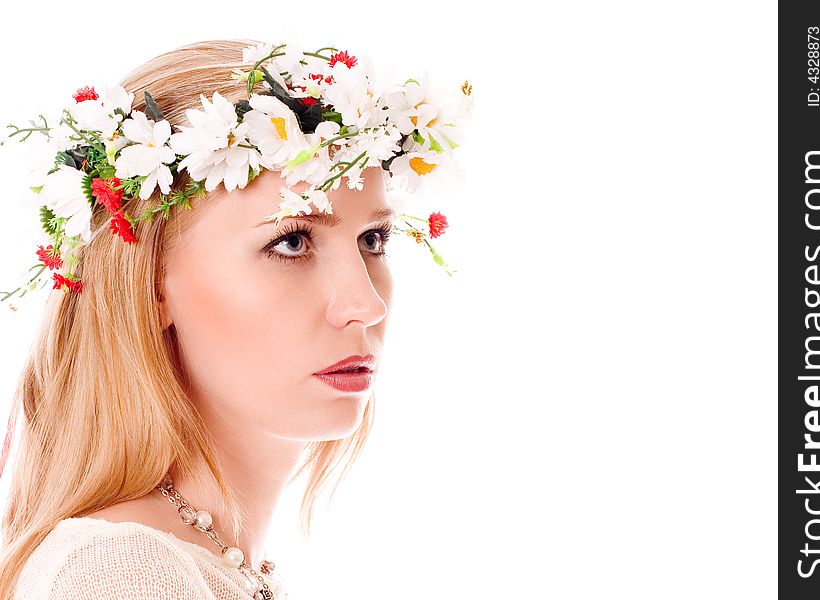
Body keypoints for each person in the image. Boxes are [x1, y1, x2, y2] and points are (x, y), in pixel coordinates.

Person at [0, 38, 472, 598]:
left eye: (373, 239)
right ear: (150, 287)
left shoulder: (201, 564)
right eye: (292, 242)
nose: (366, 305)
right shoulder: (122, 573)